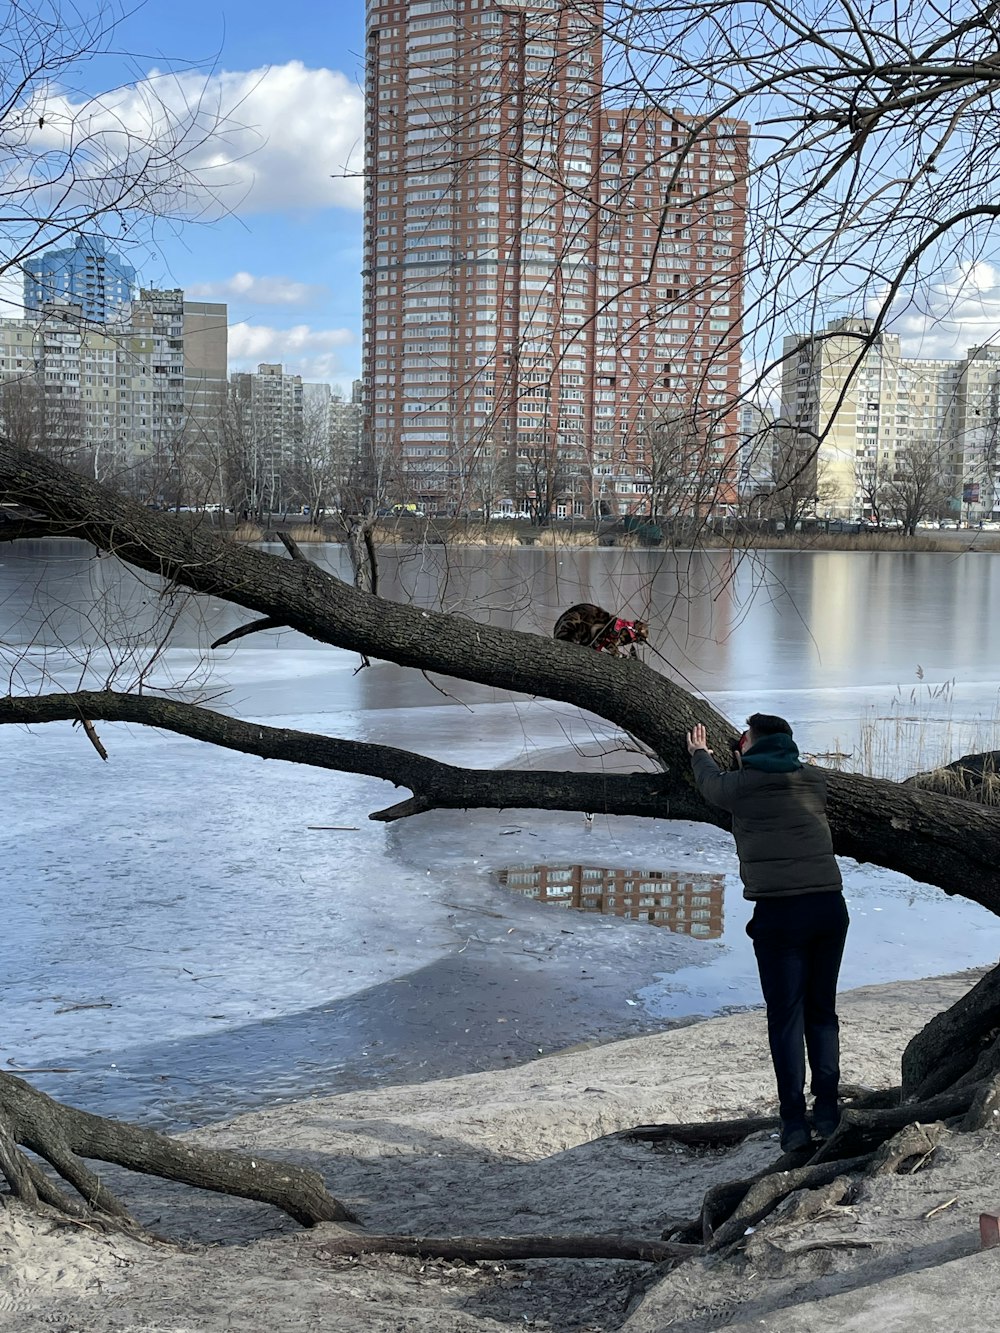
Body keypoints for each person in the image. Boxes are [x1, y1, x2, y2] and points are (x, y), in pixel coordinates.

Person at [685, 715, 849, 1153]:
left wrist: (701, 753)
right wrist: (751, 756)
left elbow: (710, 785)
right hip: (830, 907)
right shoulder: (813, 780)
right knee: (822, 1012)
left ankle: (794, 1123)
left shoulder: (740, 787)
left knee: (786, 1018)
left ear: (750, 746)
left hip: (781, 914)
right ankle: (829, 1112)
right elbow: (779, 768)